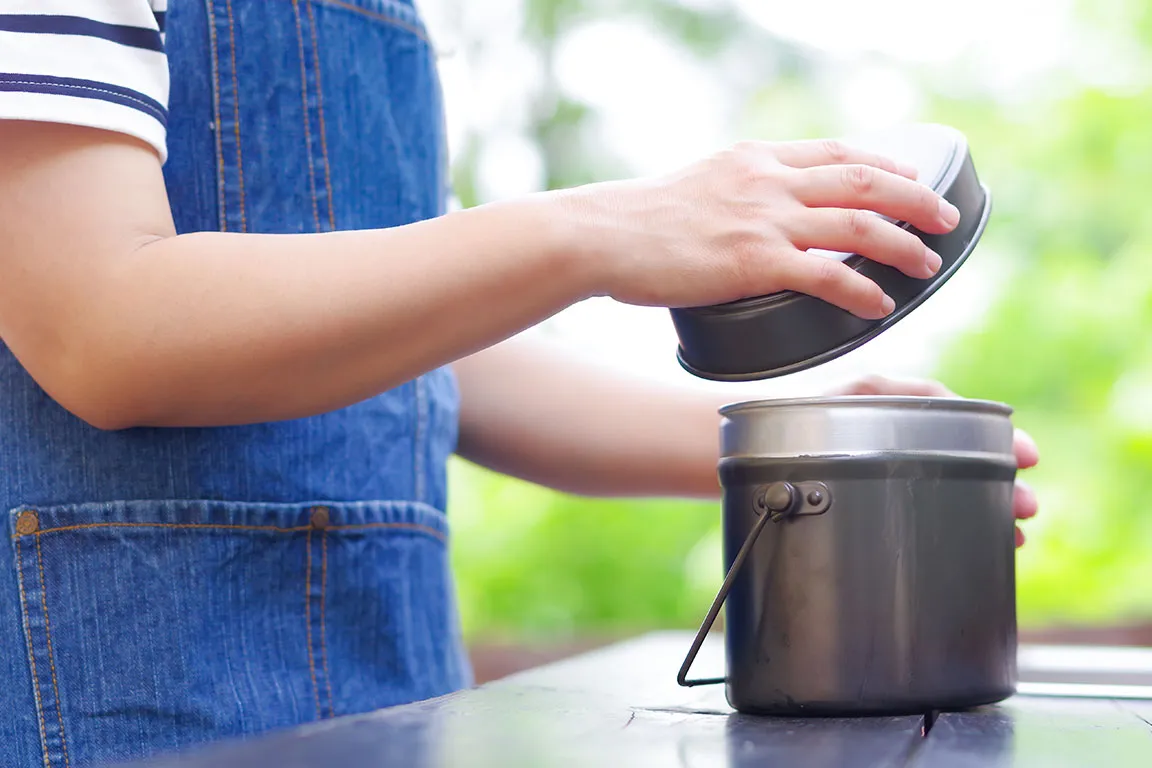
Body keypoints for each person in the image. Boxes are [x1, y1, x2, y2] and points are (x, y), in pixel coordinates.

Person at [0, 1, 1039, 765]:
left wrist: (783, 441)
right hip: (125, 706)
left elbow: (414, 350)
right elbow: (100, 325)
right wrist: (602, 228)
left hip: (393, 699)